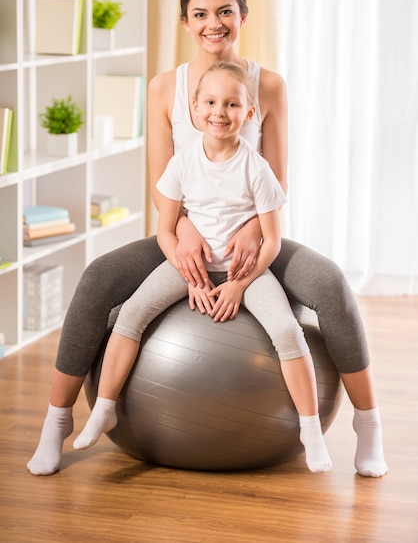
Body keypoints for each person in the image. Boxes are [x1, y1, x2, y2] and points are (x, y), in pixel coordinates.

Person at [27, 0, 387, 478]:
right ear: (185, 21)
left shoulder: (271, 86)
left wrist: (251, 234)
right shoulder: (163, 88)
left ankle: (368, 427)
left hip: (254, 234)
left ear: (242, 15)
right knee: (98, 278)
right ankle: (57, 422)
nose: (212, 23)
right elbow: (162, 183)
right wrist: (182, 232)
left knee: (329, 283)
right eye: (200, 14)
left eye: (224, 11)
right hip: (183, 232)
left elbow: (277, 178)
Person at [72, 62, 332, 473]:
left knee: (286, 329)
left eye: (232, 104)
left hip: (244, 270)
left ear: (248, 114)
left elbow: (272, 241)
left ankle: (310, 430)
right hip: (188, 265)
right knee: (132, 314)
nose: (219, 112)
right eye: (210, 102)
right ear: (194, 110)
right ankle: (104, 409)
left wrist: (238, 284)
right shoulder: (183, 162)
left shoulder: (256, 168)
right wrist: (188, 273)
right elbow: (165, 231)